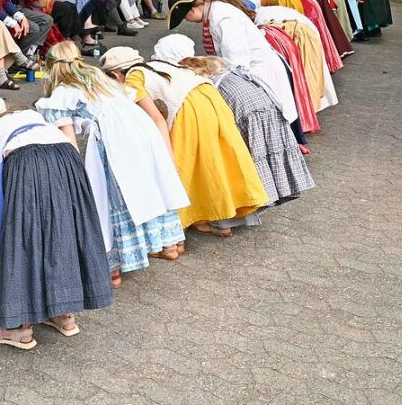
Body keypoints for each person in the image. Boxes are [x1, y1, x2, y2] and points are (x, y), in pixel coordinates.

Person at [0, 93, 113, 348]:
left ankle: (19, 328)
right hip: (67, 159)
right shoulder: (28, 116)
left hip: (25, 164)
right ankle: (63, 314)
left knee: (23, 240)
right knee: (62, 233)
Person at [35, 41, 190, 287]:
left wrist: (75, 179)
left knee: (106, 199)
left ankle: (112, 268)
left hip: (114, 142)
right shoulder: (100, 78)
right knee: (146, 187)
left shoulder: (62, 93)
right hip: (141, 133)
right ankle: (168, 244)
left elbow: (69, 142)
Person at [100, 45, 270, 237]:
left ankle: (177, 229)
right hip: (211, 101)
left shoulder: (133, 79)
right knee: (214, 164)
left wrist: (168, 159)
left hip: (189, 111)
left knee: (185, 168)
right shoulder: (155, 65)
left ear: (115, 75)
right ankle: (217, 221)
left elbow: (157, 120)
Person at [152, 34, 315, 210]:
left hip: (245, 111)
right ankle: (274, 191)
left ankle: (255, 199)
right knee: (266, 151)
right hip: (264, 102)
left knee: (248, 155)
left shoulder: (187, 77)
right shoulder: (210, 63)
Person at [165, 0, 302, 139]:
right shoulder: (214, 12)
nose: (187, 21)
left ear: (192, 9)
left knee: (271, 128)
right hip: (252, 71)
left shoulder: (223, 18)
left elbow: (238, 63)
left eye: (184, 16)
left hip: (258, 72)